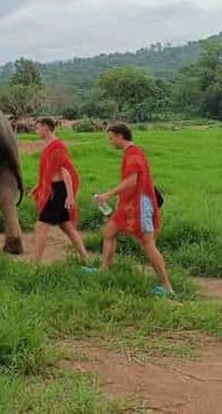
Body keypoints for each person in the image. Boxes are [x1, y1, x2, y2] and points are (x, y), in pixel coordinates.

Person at [94, 123, 174, 297]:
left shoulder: (133, 155)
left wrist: (108, 194)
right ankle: (103, 270)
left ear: (121, 136)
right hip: (128, 203)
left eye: (111, 138)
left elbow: (132, 181)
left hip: (139, 205)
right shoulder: (131, 153)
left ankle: (167, 287)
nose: (111, 142)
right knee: (109, 232)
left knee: (148, 245)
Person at [31, 117, 90, 265]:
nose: (36, 131)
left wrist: (70, 196)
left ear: (46, 128)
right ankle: (86, 259)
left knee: (41, 226)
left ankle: (34, 264)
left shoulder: (57, 147)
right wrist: (39, 185)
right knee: (66, 226)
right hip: (56, 189)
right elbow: (50, 170)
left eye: (37, 128)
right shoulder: (50, 145)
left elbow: (65, 171)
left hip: (59, 191)